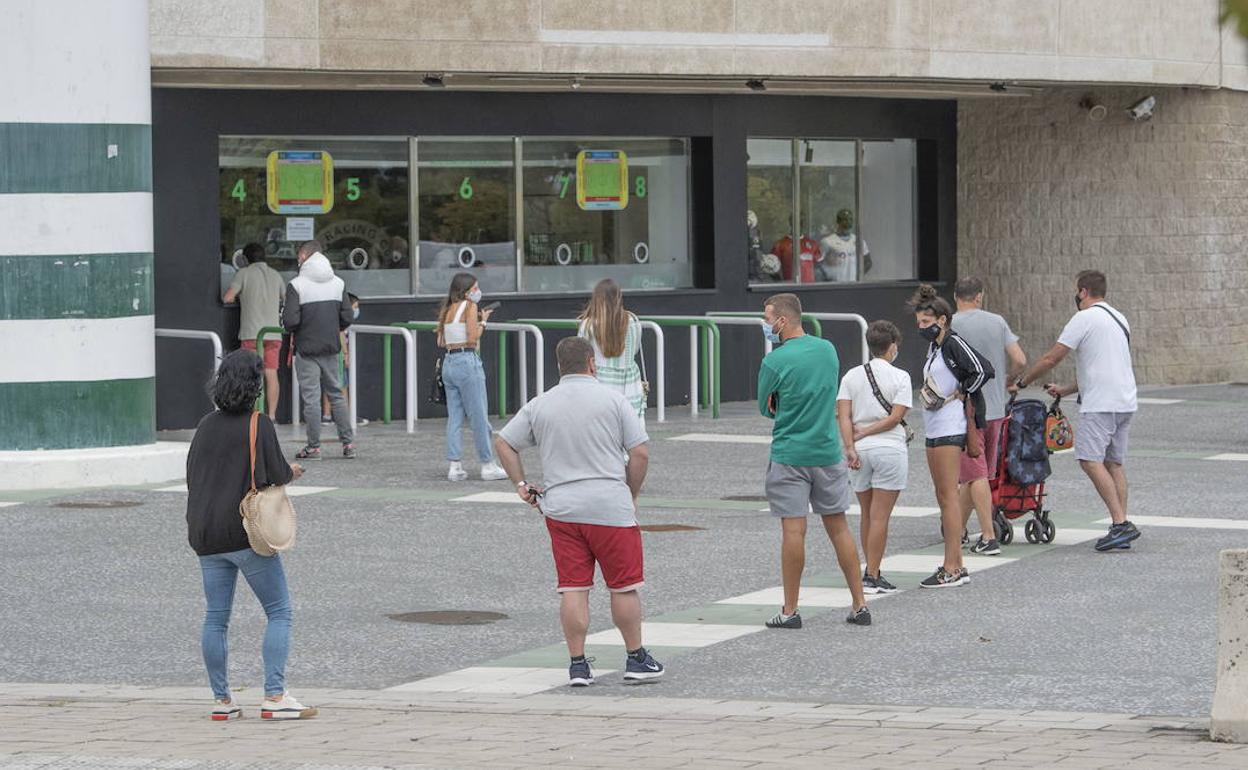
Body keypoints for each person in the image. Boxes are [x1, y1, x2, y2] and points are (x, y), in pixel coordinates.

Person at [494, 336, 665, 687]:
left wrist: (521, 484)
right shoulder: (614, 401)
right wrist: (631, 492)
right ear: (591, 363)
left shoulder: (541, 404)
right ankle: (635, 658)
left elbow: (504, 442)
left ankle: (577, 665)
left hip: (563, 510)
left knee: (573, 587)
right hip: (610, 507)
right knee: (624, 587)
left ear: (560, 367)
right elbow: (641, 453)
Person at [186, 350, 316, 721]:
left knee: (215, 617)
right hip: (244, 532)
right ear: (255, 385)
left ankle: (222, 701)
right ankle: (274, 696)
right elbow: (273, 473)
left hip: (206, 533)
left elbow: (194, 475)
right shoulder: (258, 423)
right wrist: (291, 471)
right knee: (279, 611)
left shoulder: (205, 425)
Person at [758, 293, 871, 628]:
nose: (766, 325)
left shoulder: (773, 362)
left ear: (782, 320)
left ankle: (790, 610)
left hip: (790, 453)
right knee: (838, 528)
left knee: (794, 530)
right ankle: (859, 603)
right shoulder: (828, 350)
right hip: (827, 452)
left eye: (768, 319)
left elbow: (766, 407)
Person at [1009, 270, 1140, 552]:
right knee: (1113, 463)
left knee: (1089, 460)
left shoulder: (1084, 318)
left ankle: (1120, 525)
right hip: (1125, 400)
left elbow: (1052, 356)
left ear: (1082, 291)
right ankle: (1123, 523)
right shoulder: (1119, 318)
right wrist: (1067, 389)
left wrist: (1022, 382)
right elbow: (1105, 365)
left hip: (1101, 404)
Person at [909, 284, 994, 589]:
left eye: (926, 323)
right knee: (943, 496)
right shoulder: (936, 347)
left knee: (948, 498)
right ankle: (955, 564)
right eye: (919, 323)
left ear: (942, 320)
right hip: (935, 426)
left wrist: (964, 391)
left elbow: (984, 370)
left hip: (950, 426)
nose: (921, 328)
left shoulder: (953, 343)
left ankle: (952, 567)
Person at [952, 277, 1027, 555]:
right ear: (980, 297)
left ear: (956, 296)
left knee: (975, 474)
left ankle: (987, 536)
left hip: (967, 410)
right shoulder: (997, 321)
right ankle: (956, 530)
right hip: (996, 407)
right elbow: (1020, 359)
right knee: (973, 474)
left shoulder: (951, 325)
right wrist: (1008, 379)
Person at [836, 320, 911, 594]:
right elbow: (896, 418)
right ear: (892, 347)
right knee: (881, 516)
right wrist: (868, 431)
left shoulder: (851, 376)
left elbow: (843, 415)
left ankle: (869, 570)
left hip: (860, 453)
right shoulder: (900, 377)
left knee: (867, 514)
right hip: (889, 450)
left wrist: (850, 446)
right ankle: (873, 573)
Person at [282, 240, 356, 460]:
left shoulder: (296, 285)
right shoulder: (338, 283)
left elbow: (290, 321)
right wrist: (333, 328)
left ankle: (314, 447)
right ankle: (348, 444)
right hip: (332, 347)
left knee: (312, 399)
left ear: (304, 256)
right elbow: (347, 317)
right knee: (337, 394)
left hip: (306, 349)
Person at [437, 272, 508, 481]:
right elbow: (472, 338)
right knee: (479, 415)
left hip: (449, 362)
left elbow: (441, 341)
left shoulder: (448, 309)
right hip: (467, 362)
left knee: (455, 417)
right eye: (475, 288)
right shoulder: (470, 307)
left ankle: (455, 466)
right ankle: (487, 464)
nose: (477, 292)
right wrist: (482, 323)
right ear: (466, 291)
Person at [224, 243, 285, 420]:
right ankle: (272, 416)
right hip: (273, 333)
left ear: (245, 259)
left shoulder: (243, 273)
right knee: (271, 373)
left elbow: (228, 297)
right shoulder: (275, 274)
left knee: (251, 374)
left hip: (251, 333)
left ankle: (253, 413)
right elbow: (285, 297)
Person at [577, 278, 645, 423]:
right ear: (619, 298)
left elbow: (581, 353)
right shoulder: (632, 321)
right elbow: (635, 349)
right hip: (629, 383)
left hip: (599, 382)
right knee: (630, 427)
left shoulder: (587, 325)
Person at [323, 293, 364, 426]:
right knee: (342, 386)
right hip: (337, 355)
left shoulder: (332, 317)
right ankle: (345, 415)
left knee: (331, 384)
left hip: (330, 354)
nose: (356, 310)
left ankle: (327, 415)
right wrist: (346, 354)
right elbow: (341, 335)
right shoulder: (342, 322)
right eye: (355, 307)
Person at [818, 209, 870, 283]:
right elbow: (818, 264)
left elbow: (868, 262)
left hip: (854, 285)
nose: (848, 222)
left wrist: (857, 274)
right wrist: (828, 277)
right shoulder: (827, 241)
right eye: (845, 219)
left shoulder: (859, 241)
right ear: (838, 221)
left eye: (850, 219)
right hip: (835, 286)